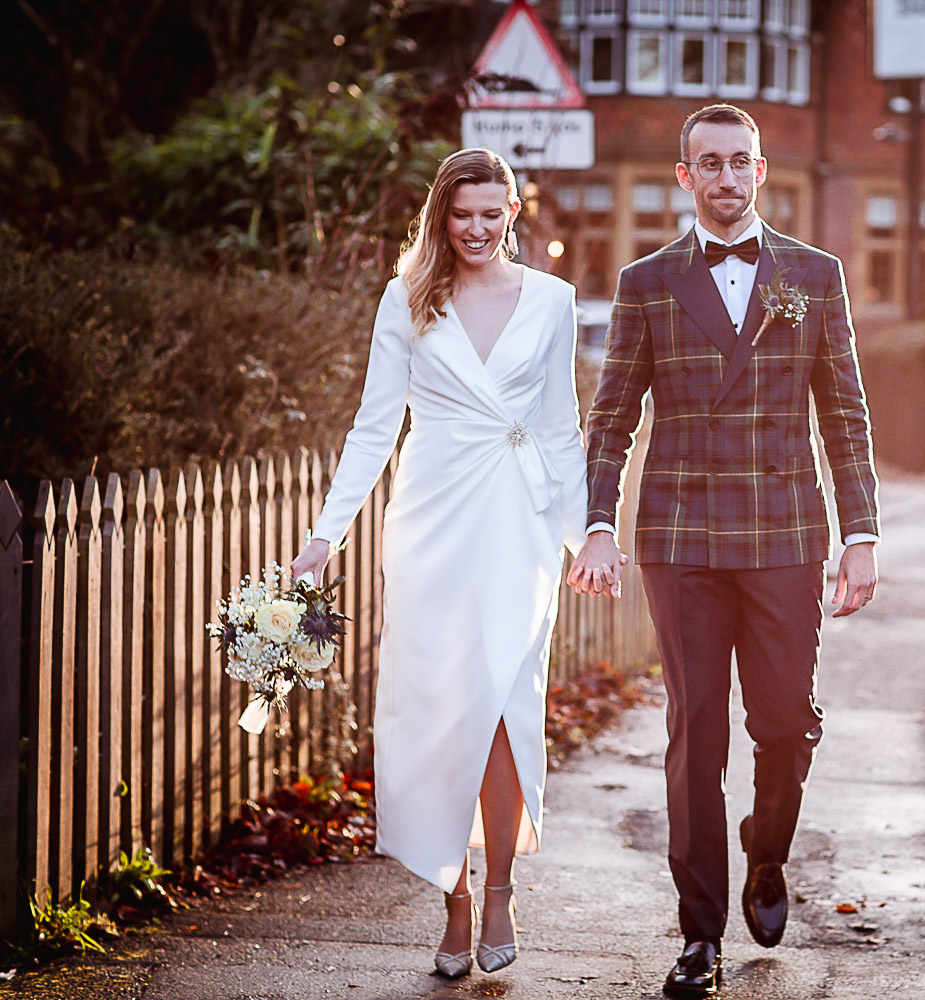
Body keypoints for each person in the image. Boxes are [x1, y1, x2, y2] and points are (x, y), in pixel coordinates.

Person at [569, 104, 881, 997]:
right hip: (682, 538)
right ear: (685, 177)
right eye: (708, 163)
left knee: (782, 724)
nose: (726, 177)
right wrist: (600, 521)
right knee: (695, 733)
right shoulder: (648, 281)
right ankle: (698, 932)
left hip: (784, 533)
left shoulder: (814, 275)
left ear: (760, 171)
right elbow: (613, 419)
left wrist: (859, 534)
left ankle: (767, 852)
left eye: (740, 161)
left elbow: (847, 415)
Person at [290, 147, 588, 979]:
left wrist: (588, 531)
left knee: (499, 705)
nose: (479, 229)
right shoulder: (408, 299)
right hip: (430, 518)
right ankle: (452, 899)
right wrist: (326, 535)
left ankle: (500, 886)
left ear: (514, 213)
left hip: (518, 524)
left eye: (494, 213)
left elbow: (562, 425)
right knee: (437, 707)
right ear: (439, 217)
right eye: (464, 215)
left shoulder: (553, 301)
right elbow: (374, 426)